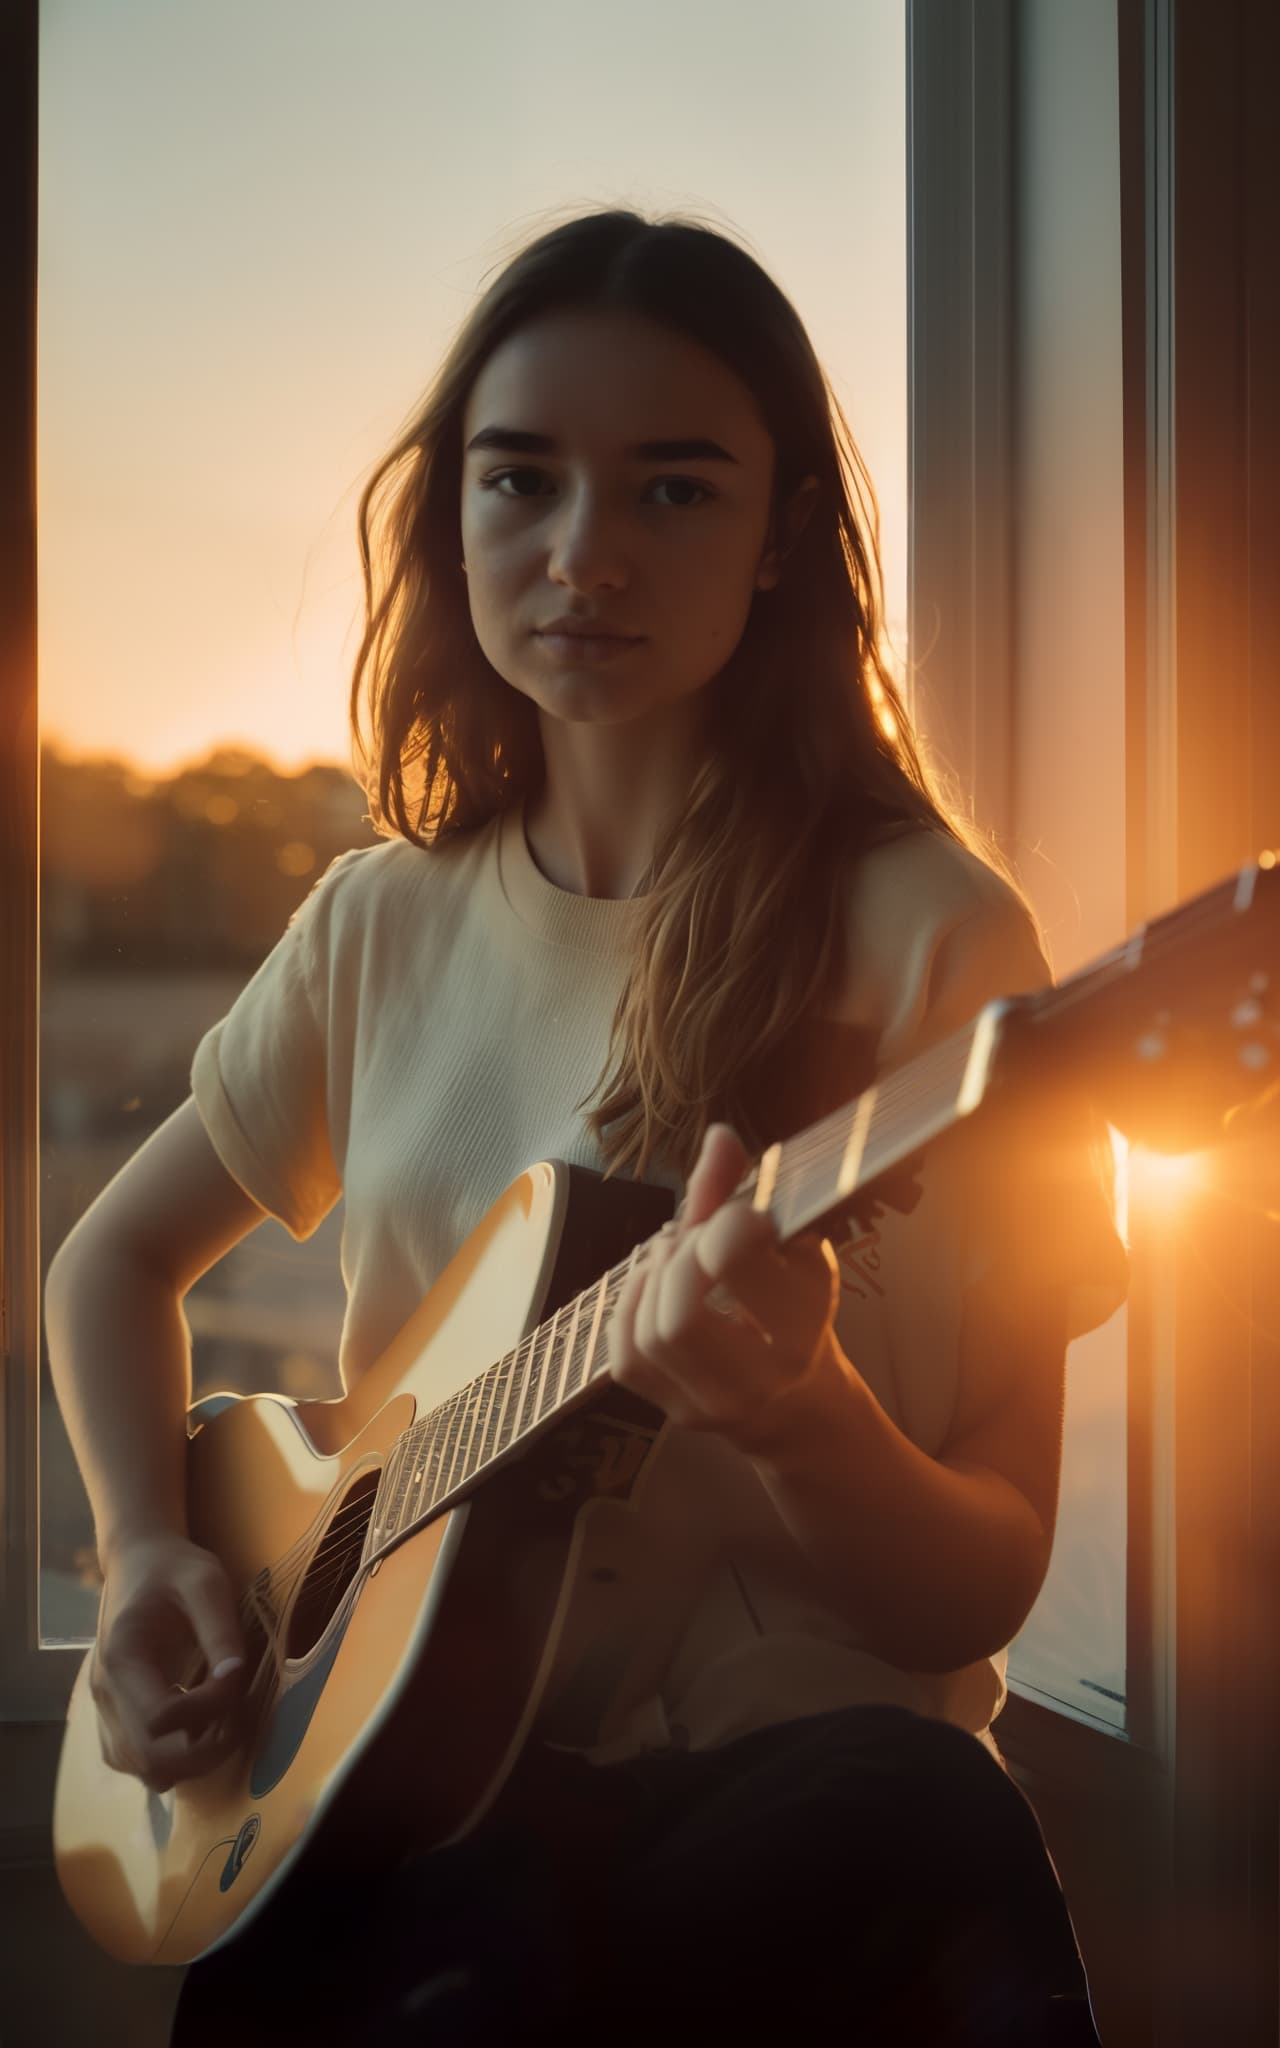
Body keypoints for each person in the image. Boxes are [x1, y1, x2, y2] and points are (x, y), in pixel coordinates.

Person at [45, 207, 1130, 2046]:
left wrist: (800, 1417)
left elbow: (981, 1573)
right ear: (450, 516)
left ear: (788, 535)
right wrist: (150, 1550)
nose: (582, 555)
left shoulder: (940, 943)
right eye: (519, 480)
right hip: (388, 1798)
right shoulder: (379, 924)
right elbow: (111, 1260)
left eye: (675, 491)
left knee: (917, 1820)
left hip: (795, 1818)